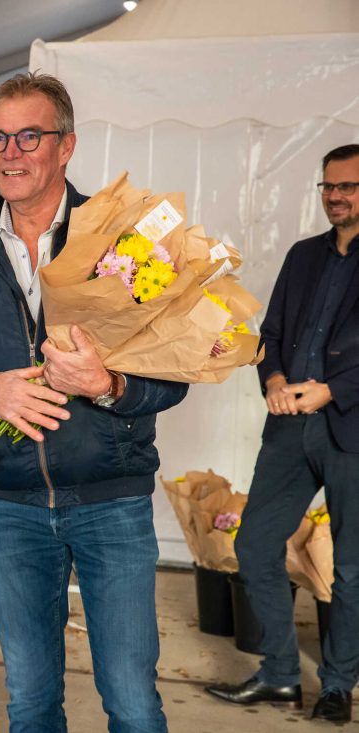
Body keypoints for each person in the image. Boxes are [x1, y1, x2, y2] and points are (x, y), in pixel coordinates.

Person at [0, 72, 187, 733]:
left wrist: (110, 386)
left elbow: (174, 377)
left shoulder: (122, 240)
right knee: (30, 703)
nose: (10, 152)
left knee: (133, 701)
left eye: (29, 135)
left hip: (112, 502)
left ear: (66, 146)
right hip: (11, 509)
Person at [206, 144, 359, 722]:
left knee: (351, 566)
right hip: (289, 427)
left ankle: (339, 684)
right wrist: (271, 376)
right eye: (328, 187)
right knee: (253, 544)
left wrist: (334, 389)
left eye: (348, 186)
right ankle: (279, 674)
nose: (336, 196)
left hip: (351, 430)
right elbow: (269, 331)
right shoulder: (302, 256)